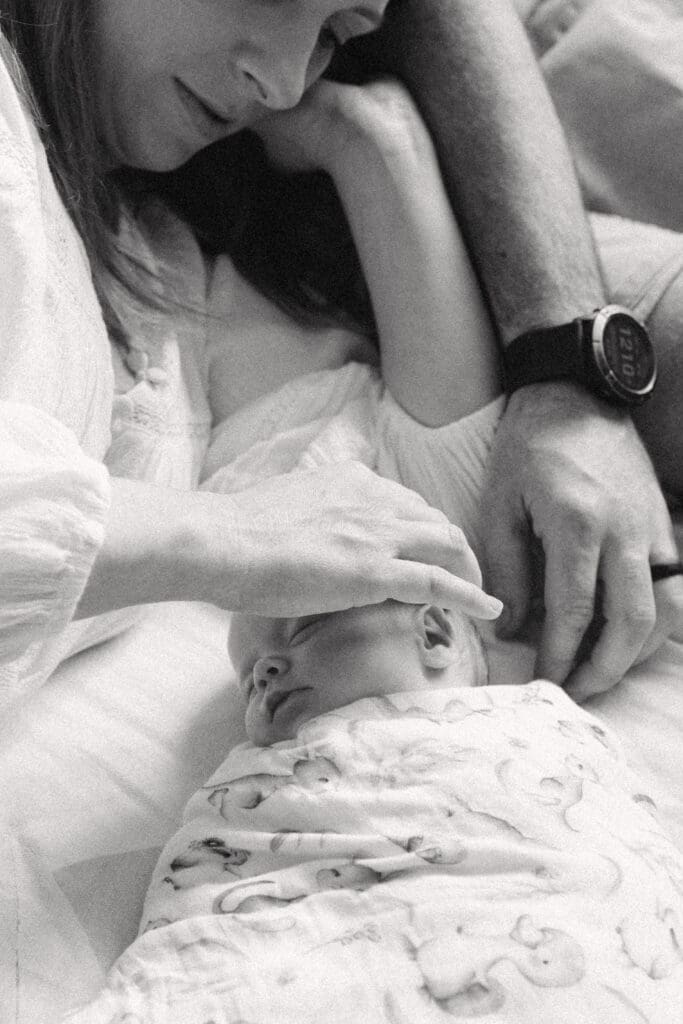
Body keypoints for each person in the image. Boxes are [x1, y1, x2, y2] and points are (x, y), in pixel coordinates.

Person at [0, 0, 502, 714]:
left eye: (333, 35)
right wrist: (227, 537)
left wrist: (377, 150)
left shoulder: (164, 269)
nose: (285, 84)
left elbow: (440, 548)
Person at [64, 599, 683, 1022]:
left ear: (434, 635)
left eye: (301, 630)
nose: (264, 672)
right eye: (248, 678)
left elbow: (623, 839)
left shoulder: (543, 722)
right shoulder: (270, 774)